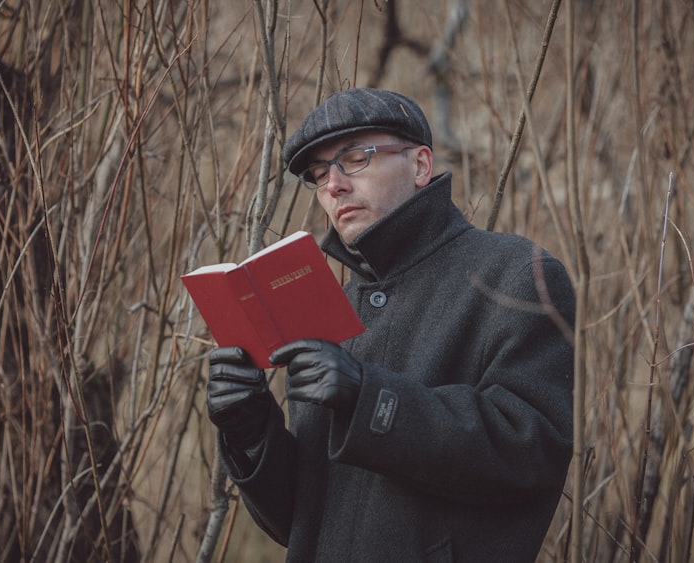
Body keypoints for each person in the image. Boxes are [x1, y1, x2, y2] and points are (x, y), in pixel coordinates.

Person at [205, 88, 576, 562]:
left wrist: (369, 398)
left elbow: (531, 454)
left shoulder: (519, 274)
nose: (333, 185)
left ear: (421, 165)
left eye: (354, 158)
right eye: (319, 175)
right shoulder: (331, 309)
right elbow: (299, 522)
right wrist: (251, 429)